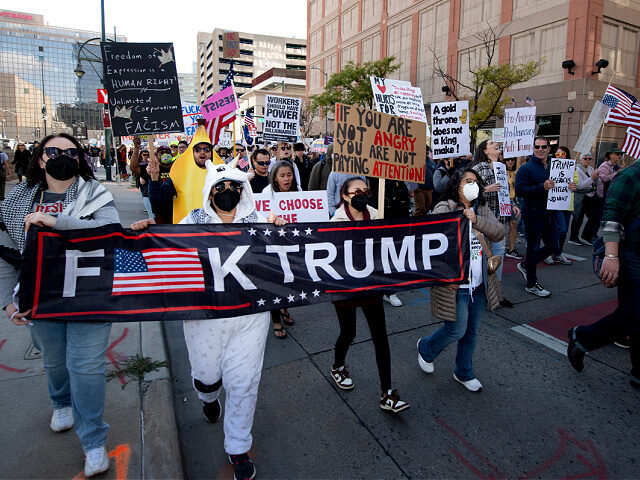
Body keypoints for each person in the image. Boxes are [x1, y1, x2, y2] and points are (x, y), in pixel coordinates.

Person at [132, 161, 286, 480]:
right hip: (205, 319)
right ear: (209, 193)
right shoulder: (192, 223)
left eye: (234, 187)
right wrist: (147, 237)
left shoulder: (258, 221)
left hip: (249, 317)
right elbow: (166, 253)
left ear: (243, 192)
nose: (228, 192)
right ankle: (207, 395)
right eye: (221, 188)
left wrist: (280, 232)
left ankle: (238, 447)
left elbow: (283, 261)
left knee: (244, 383)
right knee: (206, 374)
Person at [0, 133, 119, 477]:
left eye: (70, 152)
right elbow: (6, 256)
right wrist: (8, 303)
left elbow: (109, 230)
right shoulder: (15, 201)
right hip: (41, 299)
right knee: (54, 360)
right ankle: (61, 402)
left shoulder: (95, 194)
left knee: (86, 367)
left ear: (80, 159)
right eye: (53, 151)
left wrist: (57, 223)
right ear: (40, 158)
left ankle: (94, 441)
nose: (61, 157)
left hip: (90, 295)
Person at [417, 168, 504, 392]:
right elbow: (433, 232)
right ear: (457, 185)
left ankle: (463, 372)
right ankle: (426, 348)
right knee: (456, 330)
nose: (472, 184)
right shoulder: (445, 206)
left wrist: (477, 221)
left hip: (479, 283)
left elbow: (499, 232)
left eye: (475, 181)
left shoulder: (482, 208)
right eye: (467, 180)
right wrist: (458, 218)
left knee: (472, 331)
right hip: (456, 285)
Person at [329, 176, 410, 413]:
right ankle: (338, 365)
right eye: (356, 192)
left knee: (380, 337)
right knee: (349, 332)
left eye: (366, 190)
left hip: (371, 284)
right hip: (346, 287)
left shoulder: (376, 214)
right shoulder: (336, 220)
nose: (363, 194)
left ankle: (387, 392)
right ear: (344, 195)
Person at [567, 158, 640, 391]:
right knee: (633, 314)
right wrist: (611, 256)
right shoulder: (630, 176)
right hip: (633, 255)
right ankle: (583, 338)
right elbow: (612, 217)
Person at [515, 136, 575, 297]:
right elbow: (520, 190)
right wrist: (542, 187)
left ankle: (527, 265)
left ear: (549, 148)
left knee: (554, 246)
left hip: (552, 212)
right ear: (533, 149)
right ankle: (531, 283)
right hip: (533, 213)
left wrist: (569, 187)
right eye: (537, 147)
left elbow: (562, 184)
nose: (540, 149)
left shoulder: (556, 166)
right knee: (533, 247)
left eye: (544, 146)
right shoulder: (526, 169)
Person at [472, 140, 519, 308]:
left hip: (500, 221)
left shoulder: (501, 168)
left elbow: (505, 192)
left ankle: (497, 295)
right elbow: (466, 192)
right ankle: (480, 294)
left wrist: (512, 205)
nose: (496, 145)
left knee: (498, 256)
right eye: (492, 143)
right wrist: (485, 189)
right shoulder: (478, 169)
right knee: (483, 258)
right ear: (485, 151)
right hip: (484, 222)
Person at [261, 160, 299, 337]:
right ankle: (276, 321)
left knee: (288, 282)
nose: (286, 179)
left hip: (290, 246)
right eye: (282, 175)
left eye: (289, 175)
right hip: (272, 246)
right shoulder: (266, 193)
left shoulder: (298, 192)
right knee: (274, 283)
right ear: (275, 178)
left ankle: (284, 308)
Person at [543, 146, 573, 265]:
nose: (560, 156)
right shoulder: (549, 167)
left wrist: (573, 186)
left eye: (563, 154)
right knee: (561, 229)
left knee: (564, 231)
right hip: (555, 203)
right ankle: (548, 252)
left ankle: (558, 254)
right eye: (558, 154)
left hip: (567, 203)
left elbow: (577, 184)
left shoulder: (572, 167)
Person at [569, 152, 599, 245]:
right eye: (585, 158)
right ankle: (573, 237)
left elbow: (596, 183)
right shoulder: (577, 169)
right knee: (578, 217)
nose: (587, 160)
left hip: (590, 195)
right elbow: (580, 186)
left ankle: (585, 235)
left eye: (589, 159)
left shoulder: (590, 168)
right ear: (581, 159)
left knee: (593, 217)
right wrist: (591, 178)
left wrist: (597, 177)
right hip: (581, 196)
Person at [504, 157, 523, 259]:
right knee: (500, 226)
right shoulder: (500, 171)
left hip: (513, 201)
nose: (510, 162)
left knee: (514, 223)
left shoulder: (517, 172)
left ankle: (511, 249)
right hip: (503, 200)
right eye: (507, 160)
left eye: (512, 160)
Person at [413, 145, 437, 216]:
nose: (426, 151)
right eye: (425, 149)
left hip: (429, 189)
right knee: (420, 208)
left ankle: (422, 223)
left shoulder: (432, 162)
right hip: (419, 188)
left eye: (427, 150)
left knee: (427, 208)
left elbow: (434, 174)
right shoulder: (416, 161)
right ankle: (415, 224)